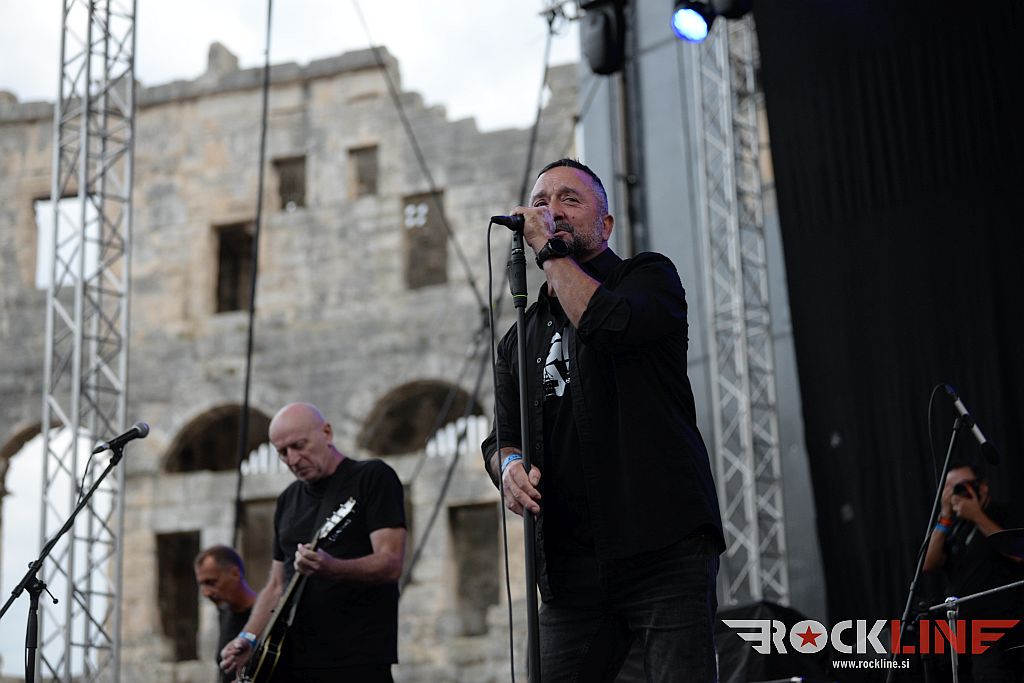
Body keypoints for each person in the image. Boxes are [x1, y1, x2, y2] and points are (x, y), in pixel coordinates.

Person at [481, 158, 725, 682]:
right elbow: (501, 438)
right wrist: (510, 467)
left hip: (662, 545)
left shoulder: (647, 278)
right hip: (572, 570)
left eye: (569, 200)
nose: (551, 211)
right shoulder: (518, 338)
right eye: (541, 202)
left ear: (606, 224)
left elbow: (606, 324)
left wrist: (548, 251)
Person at [219, 403, 406, 683]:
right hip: (291, 660)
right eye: (283, 452)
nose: (293, 459)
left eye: (299, 446)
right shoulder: (287, 499)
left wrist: (333, 568)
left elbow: (391, 563)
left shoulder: (372, 477)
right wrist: (249, 637)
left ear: (327, 433)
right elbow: (277, 585)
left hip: (356, 658)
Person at [923, 463, 1024, 682]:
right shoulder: (956, 527)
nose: (955, 494)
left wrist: (977, 515)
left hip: (1001, 631)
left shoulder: (1003, 513)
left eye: (960, 487)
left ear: (982, 487)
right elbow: (929, 564)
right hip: (963, 635)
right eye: (949, 489)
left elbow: (1018, 552)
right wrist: (945, 518)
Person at [194, 545, 257, 683]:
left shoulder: (265, 616)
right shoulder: (224, 613)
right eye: (202, 585)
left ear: (235, 573)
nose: (206, 593)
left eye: (211, 582)